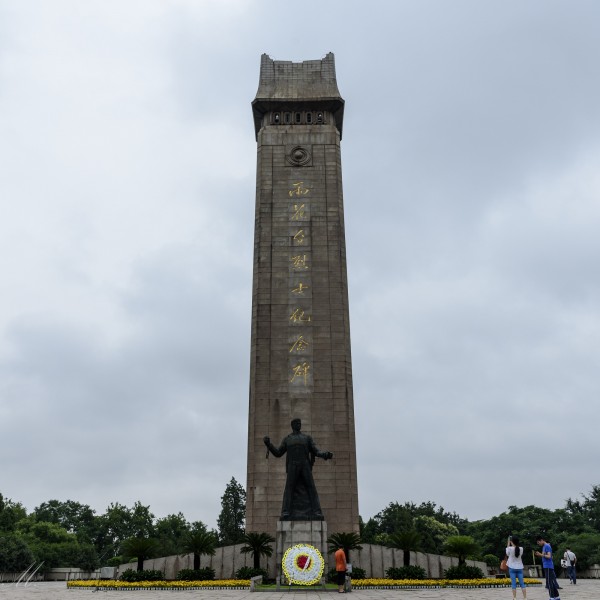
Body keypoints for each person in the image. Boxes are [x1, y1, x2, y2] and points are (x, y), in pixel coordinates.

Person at [263, 418, 333, 520]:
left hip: (305, 465)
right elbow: (278, 453)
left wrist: (325, 455)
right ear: (293, 425)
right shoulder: (287, 439)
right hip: (292, 466)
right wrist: (269, 445)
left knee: (311, 488)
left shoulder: (307, 438)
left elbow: (316, 451)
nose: (299, 425)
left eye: (299, 423)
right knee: (289, 489)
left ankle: (317, 512)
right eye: (297, 423)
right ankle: (286, 512)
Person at [535, 535, 560, 600]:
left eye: (538, 542)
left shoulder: (547, 546)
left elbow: (549, 556)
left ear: (541, 540)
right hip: (546, 565)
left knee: (549, 582)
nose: (538, 544)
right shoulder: (544, 546)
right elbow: (544, 555)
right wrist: (540, 554)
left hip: (548, 566)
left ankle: (552, 597)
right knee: (551, 582)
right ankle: (557, 596)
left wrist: (540, 554)